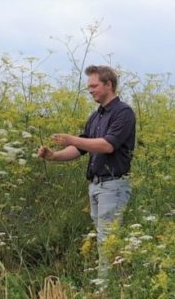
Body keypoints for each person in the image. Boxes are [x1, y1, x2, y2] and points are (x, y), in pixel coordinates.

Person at [38, 65, 136, 266]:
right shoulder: (96, 116)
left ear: (109, 85)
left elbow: (107, 145)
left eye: (94, 86)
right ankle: (113, 283)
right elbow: (80, 148)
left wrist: (72, 139)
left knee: (107, 242)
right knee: (105, 240)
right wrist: (53, 155)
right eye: (89, 87)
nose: (90, 90)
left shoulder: (123, 112)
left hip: (113, 185)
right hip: (96, 185)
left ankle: (106, 293)